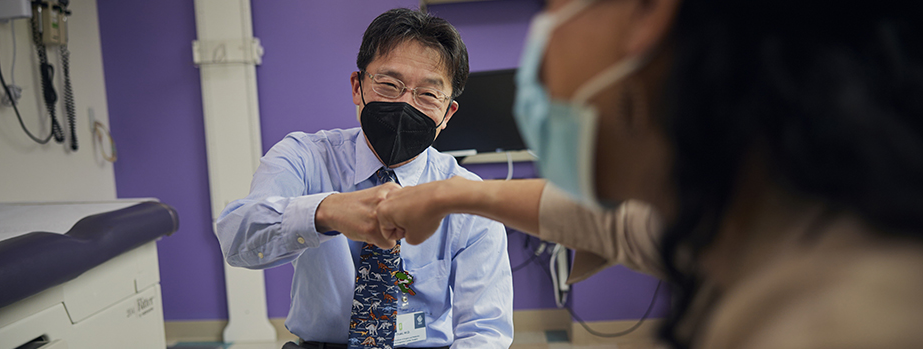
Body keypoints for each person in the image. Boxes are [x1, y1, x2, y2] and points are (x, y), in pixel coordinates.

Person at [376, 0, 923, 348]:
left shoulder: (845, 319)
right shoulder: (755, 216)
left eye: (552, 5)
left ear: (649, 13)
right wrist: (453, 195)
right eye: (389, 85)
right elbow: (612, 224)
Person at [215, 8, 513, 349]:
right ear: (358, 87)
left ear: (447, 114)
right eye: (389, 85)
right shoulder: (305, 156)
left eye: (428, 95)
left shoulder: (467, 197)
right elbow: (237, 240)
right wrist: (324, 212)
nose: (405, 105)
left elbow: (485, 331)